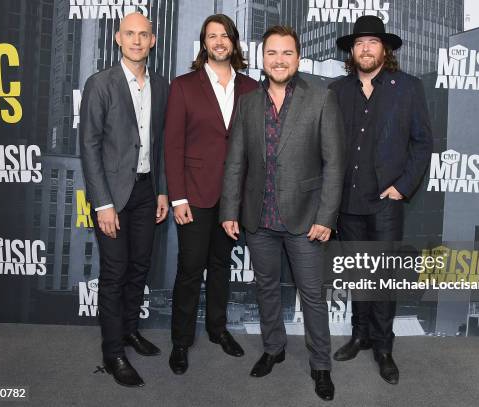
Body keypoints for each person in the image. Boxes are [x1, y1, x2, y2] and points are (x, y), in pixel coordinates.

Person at [220, 25, 344, 402]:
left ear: (298, 57)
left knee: (312, 295)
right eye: (272, 53)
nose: (279, 59)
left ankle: (320, 365)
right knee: (266, 289)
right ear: (263, 58)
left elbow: (334, 164)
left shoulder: (321, 97)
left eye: (286, 53)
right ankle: (273, 349)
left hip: (306, 219)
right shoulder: (248, 103)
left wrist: (325, 217)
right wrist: (229, 209)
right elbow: (235, 162)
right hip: (258, 218)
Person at [329, 15, 433, 385]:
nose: (366, 49)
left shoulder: (407, 88)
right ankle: (359, 335)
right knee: (359, 272)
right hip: (348, 200)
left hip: (387, 200)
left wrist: (403, 186)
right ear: (351, 51)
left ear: (384, 49)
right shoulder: (337, 91)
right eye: (359, 43)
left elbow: (422, 143)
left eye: (372, 42)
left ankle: (384, 346)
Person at [164, 14, 259, 375]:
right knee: (190, 269)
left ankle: (218, 330)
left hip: (232, 197)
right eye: (212, 36)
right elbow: (172, 146)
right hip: (194, 195)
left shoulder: (252, 88)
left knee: (221, 266)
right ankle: (180, 342)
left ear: (234, 42)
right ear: (204, 43)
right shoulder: (184, 85)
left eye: (225, 36)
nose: (219, 41)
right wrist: (177, 198)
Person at [79, 12, 169, 387]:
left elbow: (162, 143)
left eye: (143, 34)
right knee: (115, 274)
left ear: (152, 41)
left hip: (148, 192)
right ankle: (113, 351)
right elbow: (89, 145)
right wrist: (102, 204)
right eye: (129, 33)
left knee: (139, 267)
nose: (136, 40)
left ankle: (130, 330)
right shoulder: (100, 83)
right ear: (118, 39)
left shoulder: (162, 86)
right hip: (113, 196)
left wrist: (164, 189)